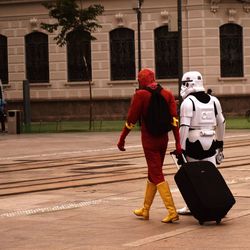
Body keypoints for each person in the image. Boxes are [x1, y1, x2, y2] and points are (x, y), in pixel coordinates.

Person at [117, 68, 182, 223]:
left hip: (149, 141)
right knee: (153, 172)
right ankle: (145, 210)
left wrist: (122, 139)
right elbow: (174, 121)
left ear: (143, 79)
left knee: (157, 174)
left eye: (139, 79)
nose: (138, 82)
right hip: (163, 140)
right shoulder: (167, 94)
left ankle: (172, 211)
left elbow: (131, 120)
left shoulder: (140, 95)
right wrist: (178, 143)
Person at [177, 71, 225, 215]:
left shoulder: (187, 102)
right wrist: (220, 142)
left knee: (192, 177)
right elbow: (221, 123)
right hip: (210, 140)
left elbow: (184, 127)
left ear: (188, 84)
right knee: (212, 177)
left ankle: (191, 206)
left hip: (193, 141)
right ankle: (217, 204)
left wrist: (181, 149)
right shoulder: (214, 100)